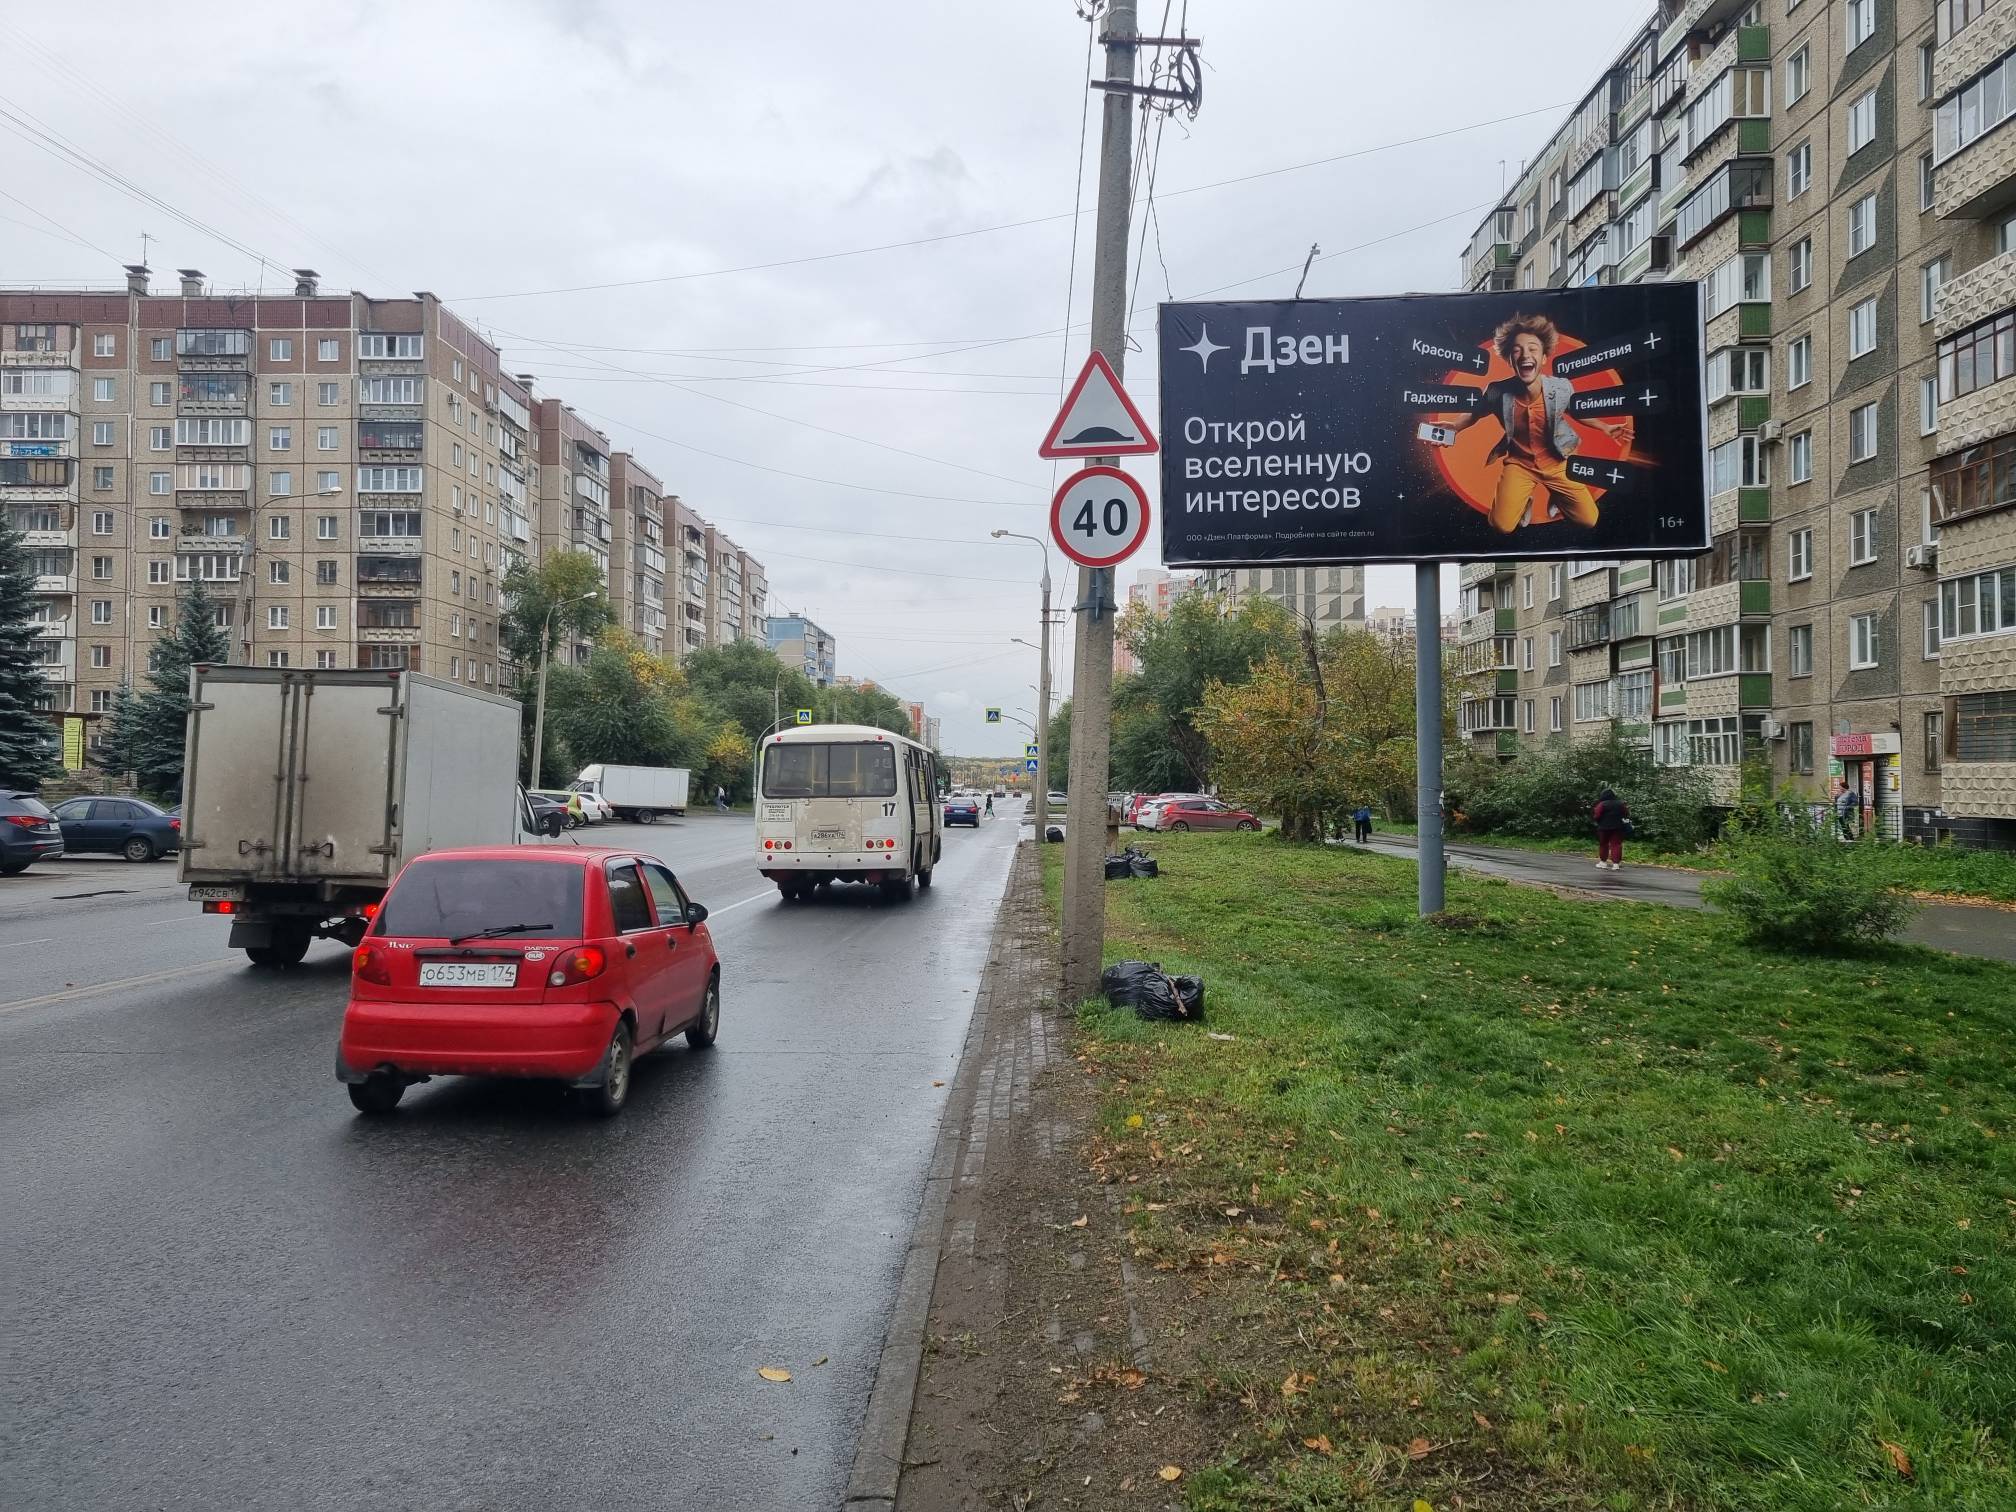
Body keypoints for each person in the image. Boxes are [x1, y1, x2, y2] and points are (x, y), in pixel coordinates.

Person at [1429, 312, 1628, 534]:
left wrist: (1605, 427)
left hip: (1557, 462)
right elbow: (1475, 413)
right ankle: (1525, 501)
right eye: (1517, 350)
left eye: (1533, 349)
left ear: (1543, 358)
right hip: (1520, 464)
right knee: (1501, 525)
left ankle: (1558, 497)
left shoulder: (1561, 387)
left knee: (1589, 520)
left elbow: (1578, 411)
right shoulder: (1497, 391)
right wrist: (1455, 426)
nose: (1525, 355)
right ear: (1509, 359)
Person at [1592, 787, 1630, 871]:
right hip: (1618, 827)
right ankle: (1616, 864)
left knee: (1603, 844)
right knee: (1616, 844)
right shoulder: (1620, 804)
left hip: (1604, 827)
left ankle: (1603, 863)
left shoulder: (1602, 804)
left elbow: (1597, 815)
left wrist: (1599, 821)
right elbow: (1626, 813)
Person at [1833, 777, 1859, 841]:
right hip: (1839, 813)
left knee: (1846, 825)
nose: (1839, 788)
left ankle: (1850, 838)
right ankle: (1847, 838)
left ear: (1844, 787)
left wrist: (1847, 807)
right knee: (1843, 826)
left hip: (1846, 813)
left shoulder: (1850, 794)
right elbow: (1836, 803)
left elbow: (1855, 802)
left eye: (1840, 787)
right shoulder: (1839, 794)